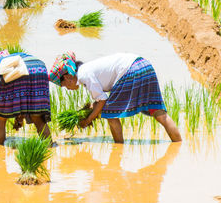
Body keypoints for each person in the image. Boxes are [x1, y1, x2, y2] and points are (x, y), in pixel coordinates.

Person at [49, 52, 181, 144]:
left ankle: (119, 147)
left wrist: (88, 119)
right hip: (144, 65)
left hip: (130, 70)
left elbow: (103, 101)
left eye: (64, 86)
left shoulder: (84, 75)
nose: (67, 88)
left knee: (110, 114)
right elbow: (99, 101)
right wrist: (88, 111)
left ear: (67, 77)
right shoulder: (87, 70)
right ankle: (178, 145)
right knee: (158, 113)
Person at [0, 50, 51, 144]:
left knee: (0, 119)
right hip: (39, 67)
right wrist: (19, 117)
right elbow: (23, 96)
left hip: (21, 68)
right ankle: (50, 147)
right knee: (37, 117)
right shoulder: (8, 59)